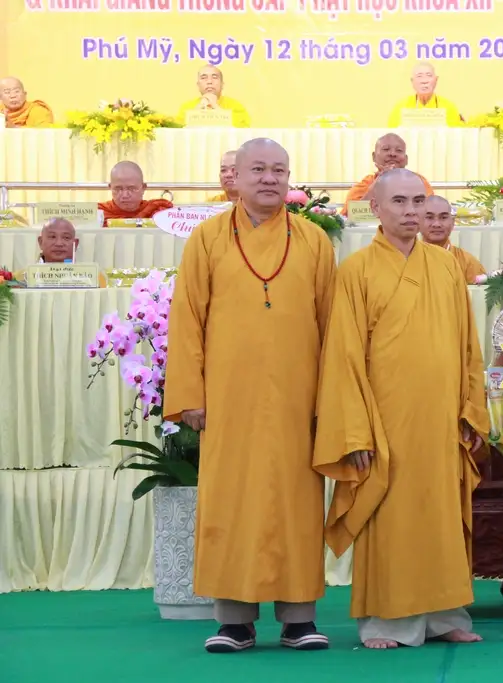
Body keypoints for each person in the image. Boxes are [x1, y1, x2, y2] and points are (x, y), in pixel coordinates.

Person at [164, 137, 336, 653]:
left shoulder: (313, 240)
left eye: (278, 170)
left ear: (290, 179)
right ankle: (234, 621)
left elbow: (333, 325)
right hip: (227, 396)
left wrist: (331, 400)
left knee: (295, 501)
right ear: (234, 178)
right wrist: (190, 394)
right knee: (231, 500)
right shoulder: (208, 238)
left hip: (297, 395)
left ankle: (299, 618)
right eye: (258, 169)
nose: (269, 178)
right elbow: (187, 318)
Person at [313, 168, 489, 649]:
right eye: (400, 202)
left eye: (418, 201)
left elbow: (467, 345)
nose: (412, 212)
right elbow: (343, 357)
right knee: (391, 515)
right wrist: (355, 432)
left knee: (441, 515)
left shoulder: (446, 266)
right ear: (375, 208)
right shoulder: (356, 271)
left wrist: (470, 408)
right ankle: (386, 621)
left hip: (441, 416)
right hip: (384, 419)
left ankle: (445, 615)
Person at [344, 133, 434, 214]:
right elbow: (353, 217)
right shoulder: (364, 185)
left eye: (399, 150)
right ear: (374, 157)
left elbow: (431, 213)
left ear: (406, 159)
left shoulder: (418, 182)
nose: (392, 154)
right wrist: (379, 182)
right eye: (386, 149)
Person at [14, 218, 108, 286]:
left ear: (75, 244)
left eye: (66, 237)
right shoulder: (21, 279)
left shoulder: (94, 278)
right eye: (52, 237)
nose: (59, 243)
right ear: (40, 242)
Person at [420, 195, 486, 281]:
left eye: (443, 217)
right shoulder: (409, 259)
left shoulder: (467, 262)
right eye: (429, 217)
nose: (437, 224)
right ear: (418, 221)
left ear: (452, 222)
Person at [386, 62, 463, 127]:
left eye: (429, 75)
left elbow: (456, 135)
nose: (424, 81)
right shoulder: (401, 107)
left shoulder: (449, 107)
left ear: (436, 80)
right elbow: (393, 135)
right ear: (412, 81)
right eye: (419, 76)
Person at [97, 161, 173, 226]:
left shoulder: (158, 212)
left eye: (132, 189)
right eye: (118, 189)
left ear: (143, 188)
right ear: (110, 187)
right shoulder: (99, 213)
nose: (125, 195)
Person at [177, 64, 251, 127]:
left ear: (222, 84)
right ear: (198, 85)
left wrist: (216, 107)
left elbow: (244, 130)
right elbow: (179, 131)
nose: (209, 81)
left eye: (214, 77)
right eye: (204, 78)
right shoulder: (186, 107)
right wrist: (195, 112)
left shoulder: (235, 105)